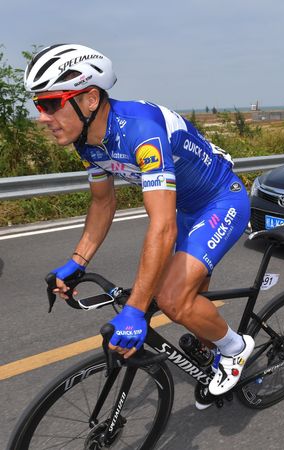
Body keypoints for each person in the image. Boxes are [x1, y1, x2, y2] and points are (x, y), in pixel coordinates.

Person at [24, 44, 254, 406]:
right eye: (39, 105)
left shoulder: (141, 132)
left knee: (172, 300)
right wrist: (77, 262)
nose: (42, 117)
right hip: (186, 209)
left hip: (221, 201)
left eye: (51, 104)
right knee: (188, 304)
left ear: (90, 99)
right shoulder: (88, 144)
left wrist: (134, 310)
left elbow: (162, 227)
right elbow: (103, 203)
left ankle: (236, 349)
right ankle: (213, 354)